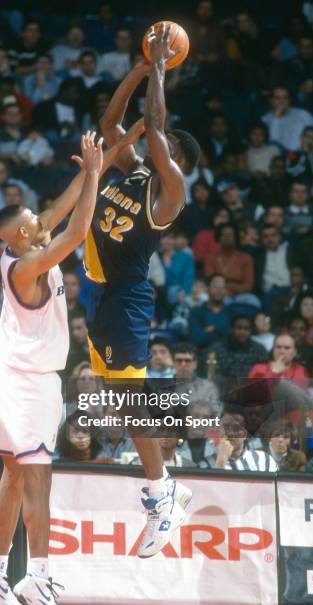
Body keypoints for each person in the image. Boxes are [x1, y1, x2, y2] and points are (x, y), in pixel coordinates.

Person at [0, 127, 141, 605]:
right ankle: (37, 578)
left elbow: (60, 210)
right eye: (32, 219)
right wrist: (91, 176)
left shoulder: (22, 244)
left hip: (14, 375)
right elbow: (78, 230)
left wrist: (98, 164)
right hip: (29, 383)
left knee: (12, 477)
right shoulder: (27, 267)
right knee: (38, 478)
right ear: (23, 234)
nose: (39, 219)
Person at [87, 26, 198, 558]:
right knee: (118, 398)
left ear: (178, 162)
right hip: (99, 296)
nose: (157, 144)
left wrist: (159, 65)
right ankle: (163, 486)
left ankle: (163, 491)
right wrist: (137, 68)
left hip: (127, 299)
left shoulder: (170, 192)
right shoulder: (132, 173)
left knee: (131, 401)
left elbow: (153, 122)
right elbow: (111, 124)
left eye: (167, 147)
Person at [199, 413, 278, 471]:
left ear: (245, 434)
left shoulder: (264, 459)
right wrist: (221, 462)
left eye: (236, 429)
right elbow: (208, 492)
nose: (230, 433)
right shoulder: (205, 464)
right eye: (225, 428)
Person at [173, 344, 221, 415]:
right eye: (179, 361)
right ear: (173, 363)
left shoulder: (209, 388)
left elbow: (216, 414)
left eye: (188, 361)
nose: (183, 364)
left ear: (195, 364)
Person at [189, 273, 231, 348]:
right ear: (208, 289)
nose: (219, 290)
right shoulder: (196, 312)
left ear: (226, 291)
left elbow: (232, 339)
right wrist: (222, 330)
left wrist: (212, 329)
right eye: (215, 286)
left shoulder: (231, 312)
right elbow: (196, 339)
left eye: (222, 287)